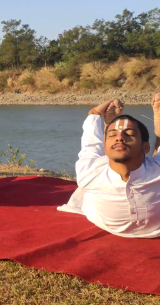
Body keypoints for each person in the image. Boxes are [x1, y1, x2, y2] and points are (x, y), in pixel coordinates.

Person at [58, 96, 160, 238]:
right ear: (105, 149)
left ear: (145, 147)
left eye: (129, 134)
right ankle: (110, 125)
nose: (120, 137)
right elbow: (91, 143)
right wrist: (95, 114)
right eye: (113, 135)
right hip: (100, 215)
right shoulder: (91, 173)